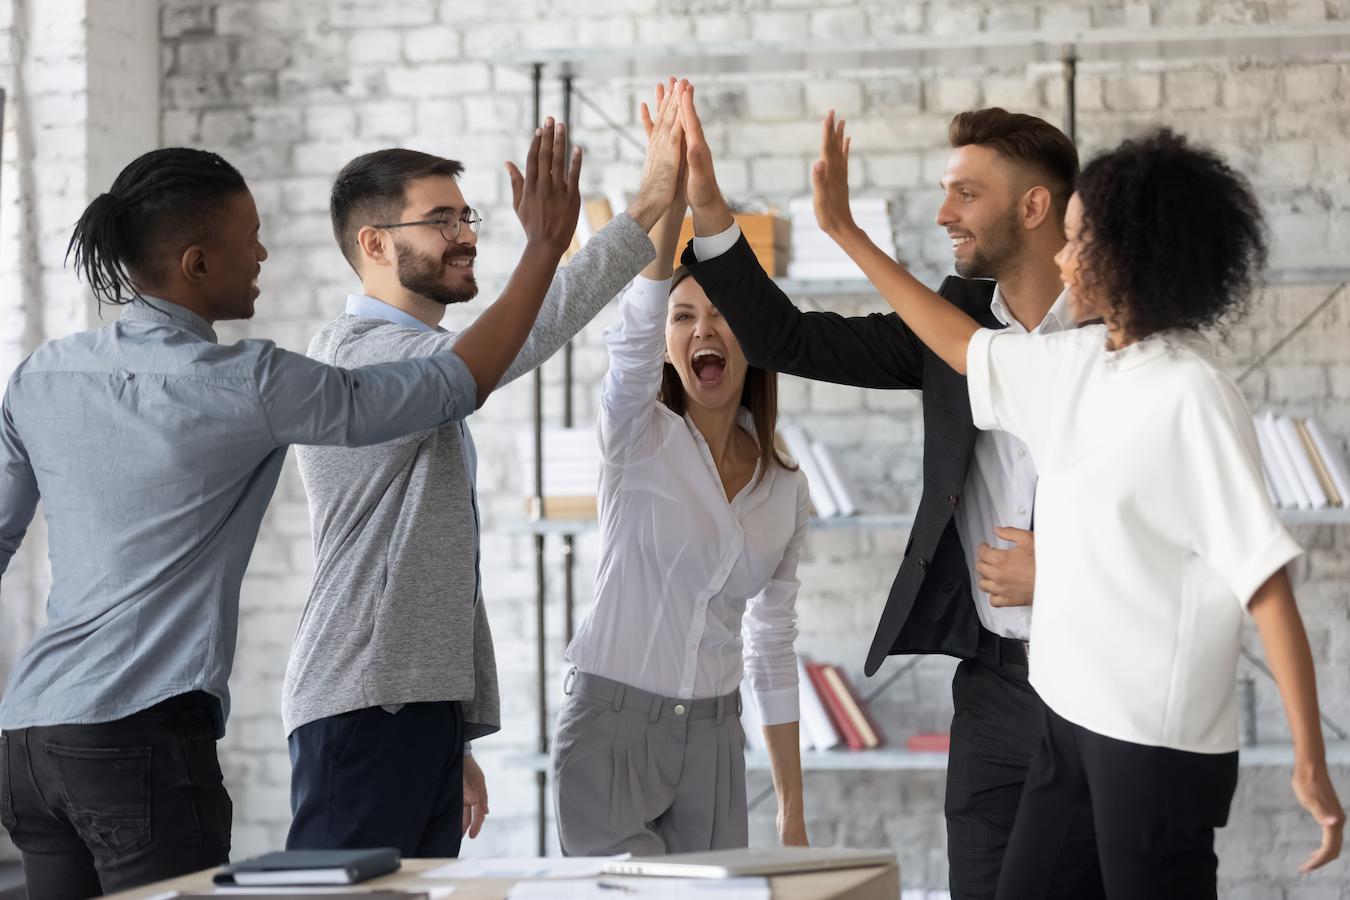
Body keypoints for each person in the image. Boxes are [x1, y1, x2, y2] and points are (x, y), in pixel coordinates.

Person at [0, 133, 578, 899]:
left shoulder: (43, 371)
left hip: (30, 740)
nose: (264, 255)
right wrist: (543, 248)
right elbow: (448, 386)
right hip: (138, 741)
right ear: (196, 264)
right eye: (251, 240)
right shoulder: (248, 382)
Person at [809, 114, 1344, 896]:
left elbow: (1264, 579)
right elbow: (958, 345)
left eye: (1079, 240)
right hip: (1069, 721)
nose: (1060, 255)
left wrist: (1310, 758)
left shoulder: (1191, 392)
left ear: (1130, 256)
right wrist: (847, 235)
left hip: (1153, 745)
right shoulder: (1077, 364)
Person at [675, 94, 1100, 897]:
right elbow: (785, 339)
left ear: (1036, 206)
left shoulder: (1118, 336)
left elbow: (1170, 525)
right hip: (993, 687)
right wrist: (707, 206)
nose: (944, 213)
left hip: (1101, 678)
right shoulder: (950, 325)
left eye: (966, 193)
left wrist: (1067, 573)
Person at [282, 105, 686, 857]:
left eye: (466, 216)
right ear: (374, 243)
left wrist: (453, 732)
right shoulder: (354, 357)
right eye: (440, 220)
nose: (466, 236)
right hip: (364, 705)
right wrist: (641, 208)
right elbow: (521, 338)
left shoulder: (421, 358)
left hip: (415, 709)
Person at [553, 80, 810, 856]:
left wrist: (792, 809)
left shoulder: (785, 490)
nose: (706, 329)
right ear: (670, 341)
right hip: (611, 732)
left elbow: (772, 643)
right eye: (686, 315)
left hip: (716, 741)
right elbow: (633, 327)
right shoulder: (635, 433)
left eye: (725, 313)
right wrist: (664, 183)